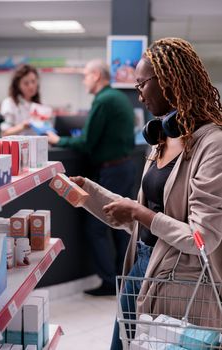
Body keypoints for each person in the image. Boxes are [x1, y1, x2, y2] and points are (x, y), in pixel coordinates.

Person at [69, 37, 222, 349]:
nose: (138, 95)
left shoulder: (213, 145)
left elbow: (203, 238)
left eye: (141, 84)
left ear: (169, 80)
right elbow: (138, 218)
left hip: (179, 279)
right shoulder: (161, 140)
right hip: (140, 266)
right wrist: (89, 192)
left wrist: (142, 214)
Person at [47, 59, 135, 296]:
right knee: (120, 225)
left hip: (113, 170)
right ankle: (122, 280)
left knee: (96, 227)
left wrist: (57, 141)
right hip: (125, 167)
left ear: (96, 75)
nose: (84, 79)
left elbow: (86, 142)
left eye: (86, 74)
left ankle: (109, 281)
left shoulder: (103, 100)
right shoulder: (117, 98)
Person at [0, 64, 41, 136]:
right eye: (26, 83)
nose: (31, 86)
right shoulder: (9, 103)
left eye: (33, 81)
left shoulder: (39, 104)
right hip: (18, 146)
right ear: (17, 85)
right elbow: (5, 133)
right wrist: (23, 126)